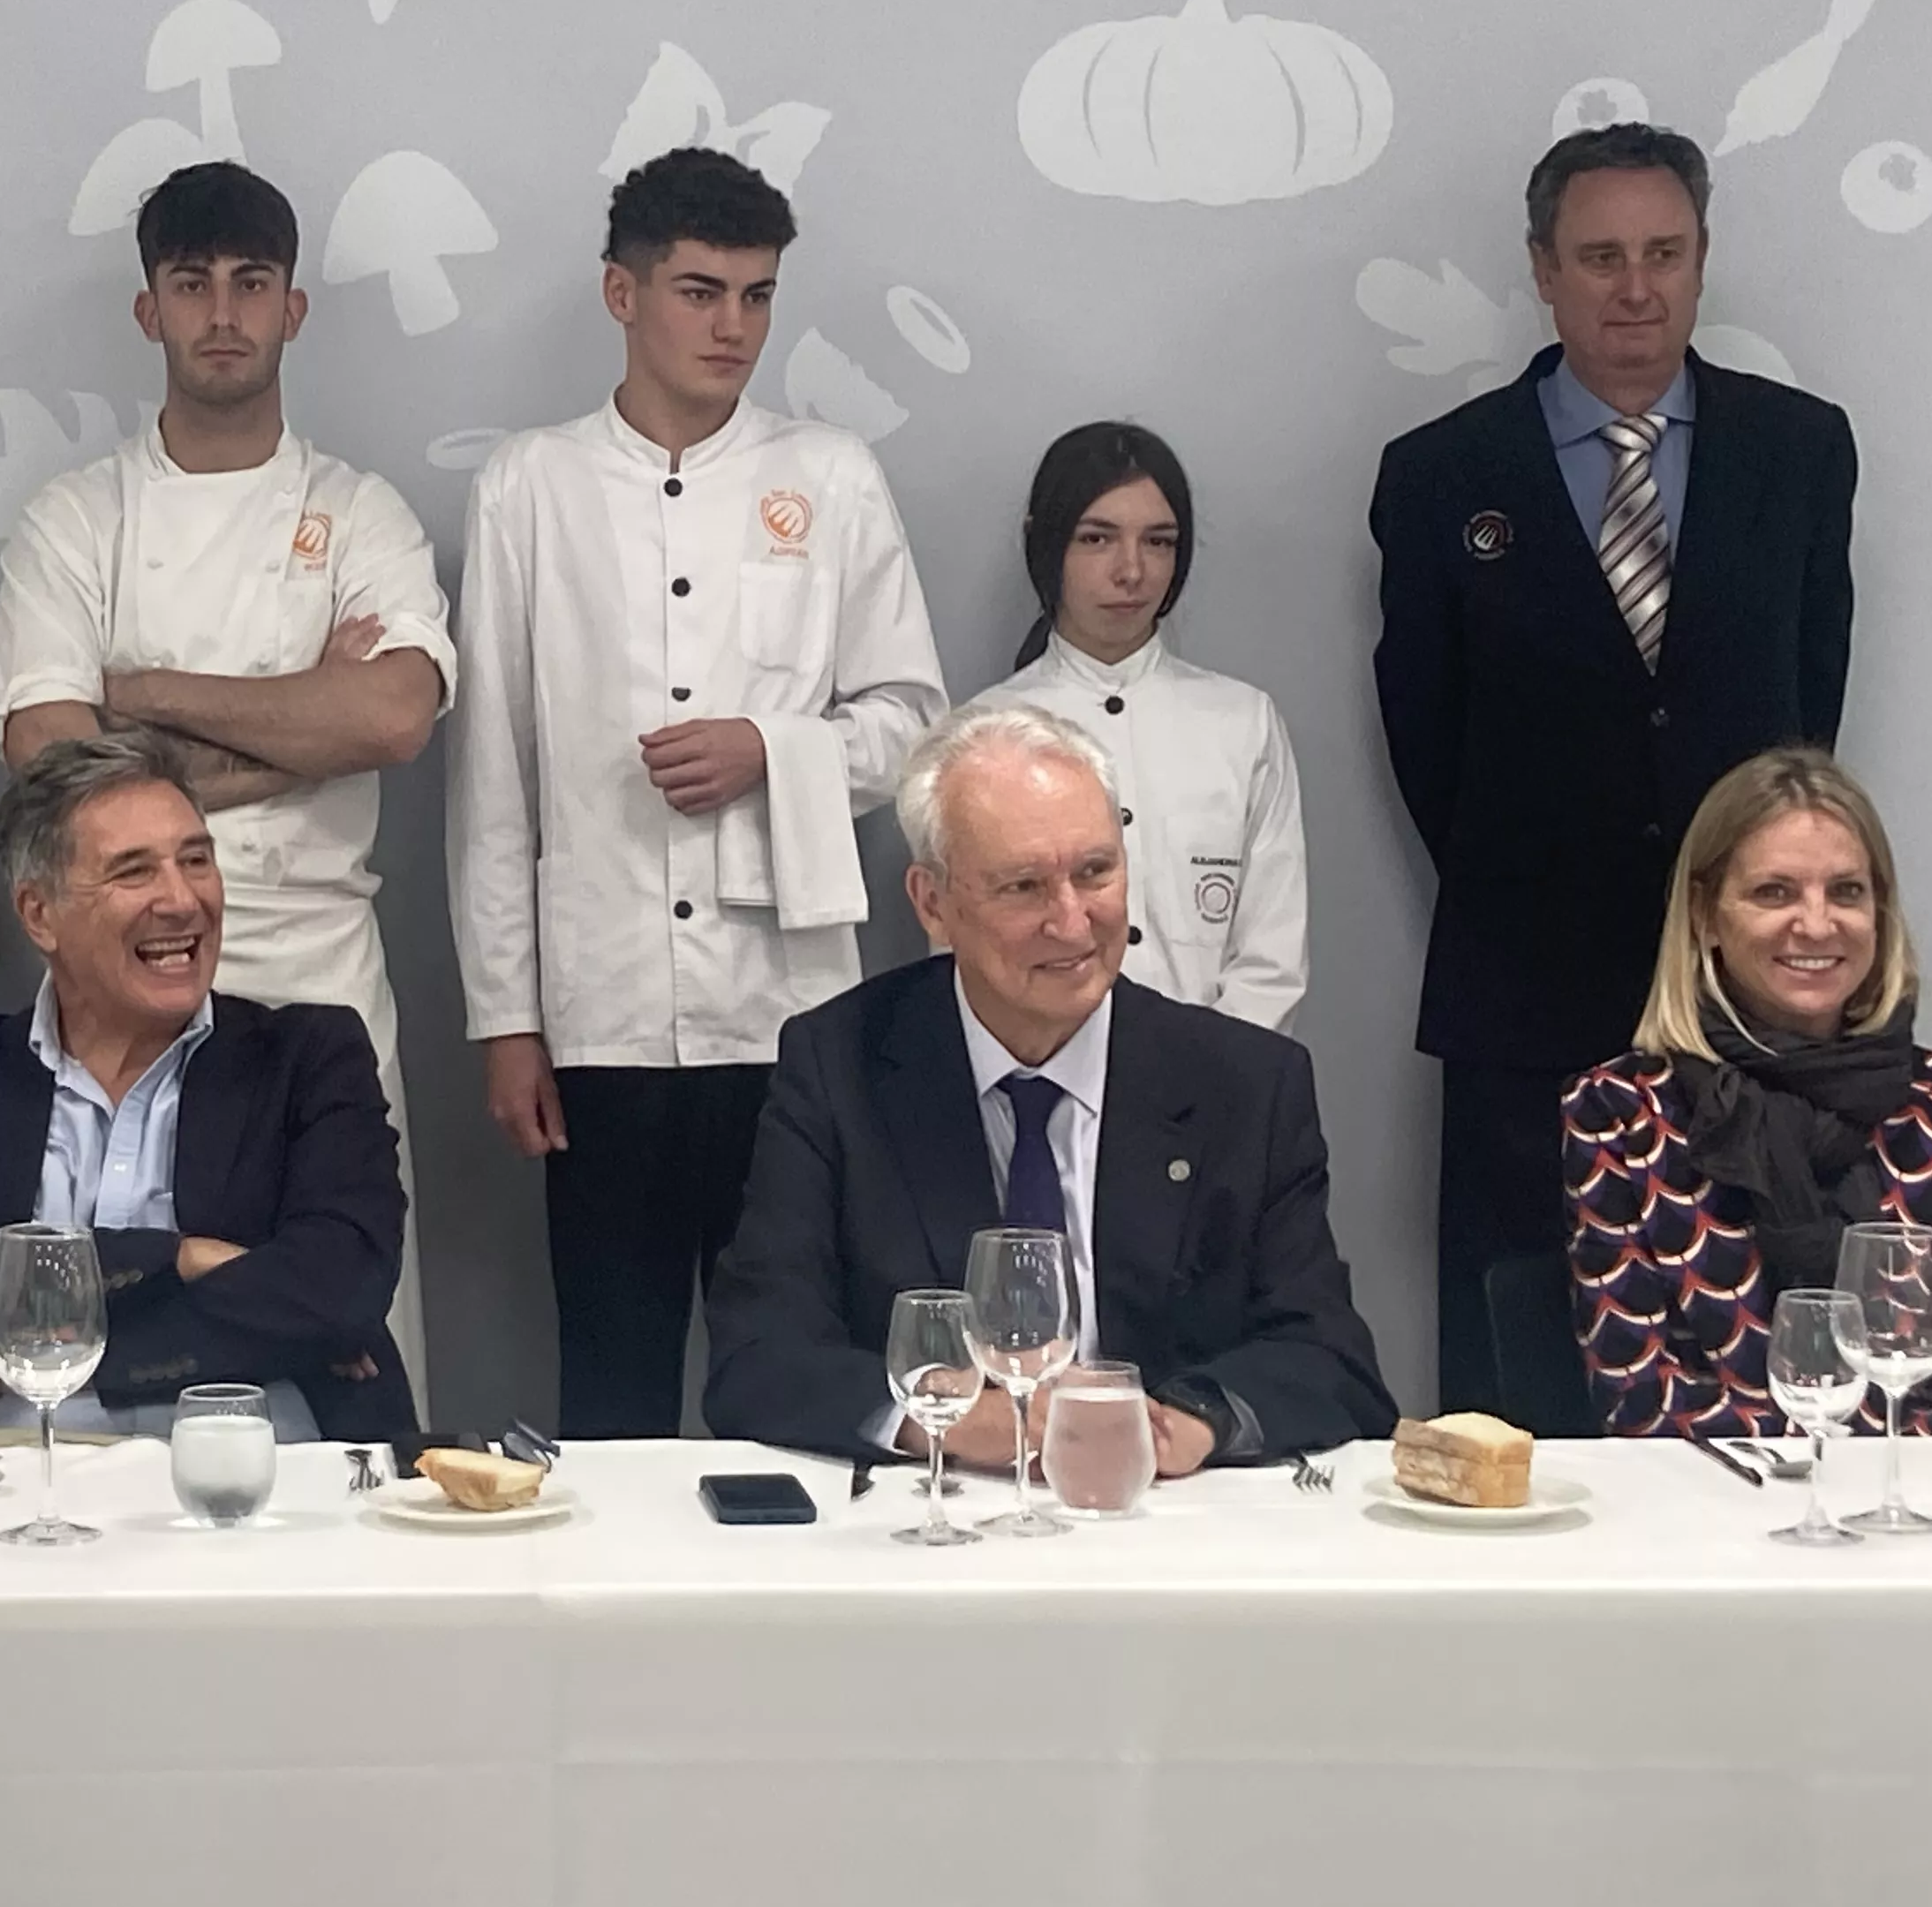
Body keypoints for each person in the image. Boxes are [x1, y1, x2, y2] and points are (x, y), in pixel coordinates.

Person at [450, 147, 947, 1436]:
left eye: (759, 296)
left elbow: (912, 725)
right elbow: (495, 776)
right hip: (599, 1012)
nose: (733, 327)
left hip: (790, 1015)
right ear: (622, 294)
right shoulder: (531, 485)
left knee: (797, 1365)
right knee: (608, 1378)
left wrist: (771, 751)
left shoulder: (829, 477)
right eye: (700, 291)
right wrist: (508, 1020)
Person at [1371, 121, 1856, 1413]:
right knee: (1516, 1370)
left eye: (1663, 253)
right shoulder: (1441, 474)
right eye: (1599, 256)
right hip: (1520, 996)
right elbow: (1427, 735)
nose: (1634, 288)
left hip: (1749, 1004)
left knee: (1758, 1364)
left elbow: (1808, 721)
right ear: (1541, 268)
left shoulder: (1799, 453)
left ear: (1703, 260)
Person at [0, 161, 449, 1403]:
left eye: (253, 283)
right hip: (117, 992)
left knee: (339, 1342)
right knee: (123, 1335)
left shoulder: (360, 512)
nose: (224, 313)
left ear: (295, 307)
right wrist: (303, 718)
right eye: (193, 285)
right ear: (151, 311)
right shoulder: (75, 520)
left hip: (316, 977)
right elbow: (50, 764)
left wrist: (146, 694)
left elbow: (395, 714)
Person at [704, 697, 1393, 1467]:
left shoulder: (1245, 1083)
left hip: (1166, 1527)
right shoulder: (839, 1066)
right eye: (1024, 887)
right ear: (934, 903)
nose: (1073, 922)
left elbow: (1333, 1361)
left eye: (1095, 872)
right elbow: (757, 1356)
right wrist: (961, 1423)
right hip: (930, 1532)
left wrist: (1189, 1425)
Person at [0, 731, 414, 1443]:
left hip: (252, 1466)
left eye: (196, 860)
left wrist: (47, 1340)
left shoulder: (310, 1056)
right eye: (134, 872)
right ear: (40, 914)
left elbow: (339, 1290)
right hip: (3, 1469)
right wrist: (177, 1259)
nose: (182, 900)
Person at [1561, 749, 1932, 1437]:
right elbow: (1642, 1402)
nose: (1817, 924)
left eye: (1847, 892)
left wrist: (1877, 1508)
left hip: (1911, 1516)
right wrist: (1815, 1491)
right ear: (1706, 917)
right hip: (1707, 1516)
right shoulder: (1620, 1113)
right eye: (1775, 892)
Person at [969, 421, 1305, 1030]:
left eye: (1158, 542)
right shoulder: (986, 731)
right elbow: (972, 955)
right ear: (1045, 545)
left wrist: (1218, 1079)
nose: (1132, 572)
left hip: (1221, 1086)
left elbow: (1271, 959)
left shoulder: (1242, 723)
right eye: (1097, 538)